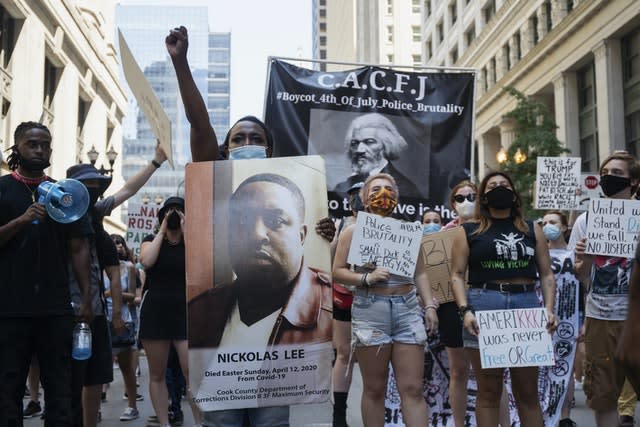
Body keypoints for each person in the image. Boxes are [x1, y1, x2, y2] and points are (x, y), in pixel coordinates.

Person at [0, 121, 93, 425]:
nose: (40, 150)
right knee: (7, 389)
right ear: (17, 148)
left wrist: (86, 299)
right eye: (32, 144)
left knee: (60, 389)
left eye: (45, 144)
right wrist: (22, 221)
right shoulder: (3, 188)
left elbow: (79, 249)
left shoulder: (66, 193)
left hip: (55, 307)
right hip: (10, 308)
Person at [450, 171, 557, 427]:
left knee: (528, 393)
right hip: (484, 304)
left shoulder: (533, 229)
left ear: (514, 193)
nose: (499, 188)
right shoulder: (468, 231)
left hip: (526, 306)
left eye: (504, 185)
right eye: (492, 186)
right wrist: (464, 310)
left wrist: (549, 309)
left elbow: (547, 274)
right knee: (488, 391)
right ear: (483, 196)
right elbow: (456, 274)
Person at [332, 173, 438, 427]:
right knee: (374, 388)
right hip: (371, 310)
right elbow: (337, 271)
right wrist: (365, 278)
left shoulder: (409, 231)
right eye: (376, 189)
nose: (383, 194)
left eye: (389, 190)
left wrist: (430, 305)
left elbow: (420, 271)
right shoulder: (352, 232)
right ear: (364, 197)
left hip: (408, 309)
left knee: (412, 388)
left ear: (397, 198)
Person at [569, 151, 640, 427]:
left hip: (635, 316)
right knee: (603, 394)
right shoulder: (585, 221)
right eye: (606, 172)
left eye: (618, 173)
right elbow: (581, 277)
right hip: (600, 318)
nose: (609, 177)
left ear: (634, 182)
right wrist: (584, 260)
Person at [139, 196, 201, 427]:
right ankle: (164, 423)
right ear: (161, 215)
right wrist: (163, 230)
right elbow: (147, 261)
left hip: (186, 311)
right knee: (157, 373)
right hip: (156, 312)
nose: (174, 214)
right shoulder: (150, 240)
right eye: (170, 210)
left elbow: (200, 263)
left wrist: (187, 232)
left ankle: (200, 423)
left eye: (179, 210)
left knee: (191, 373)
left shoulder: (192, 242)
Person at [438, 180, 478, 427]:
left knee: (492, 374)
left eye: (472, 196)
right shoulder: (442, 236)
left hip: (486, 303)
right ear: (453, 205)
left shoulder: (491, 230)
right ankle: (458, 424)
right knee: (458, 370)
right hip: (452, 306)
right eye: (461, 198)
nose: (467, 202)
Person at [540, 211, 580, 427]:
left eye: (553, 222)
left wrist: (582, 321)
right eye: (544, 222)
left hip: (569, 318)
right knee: (543, 369)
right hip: (544, 318)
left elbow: (583, 289)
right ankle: (542, 412)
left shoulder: (575, 255)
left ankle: (564, 416)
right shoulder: (538, 255)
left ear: (564, 227)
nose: (548, 226)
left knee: (566, 367)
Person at [330, 181, 364, 427]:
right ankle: (339, 414)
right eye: (354, 195)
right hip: (345, 298)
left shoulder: (389, 227)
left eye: (363, 194)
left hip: (377, 297)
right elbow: (329, 261)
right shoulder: (341, 224)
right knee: (344, 355)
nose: (359, 200)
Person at [332, 113, 420, 198]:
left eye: (369, 142)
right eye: (355, 143)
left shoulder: (404, 188)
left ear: (386, 145)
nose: (359, 150)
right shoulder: (342, 187)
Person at [105, 234, 142, 421]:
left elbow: (135, 298)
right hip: (102, 320)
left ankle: (132, 406)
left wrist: (114, 293)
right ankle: (94, 408)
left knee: (127, 367)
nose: (116, 246)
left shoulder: (130, 268)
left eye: (119, 243)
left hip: (124, 321)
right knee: (100, 367)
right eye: (112, 243)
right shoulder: (98, 268)